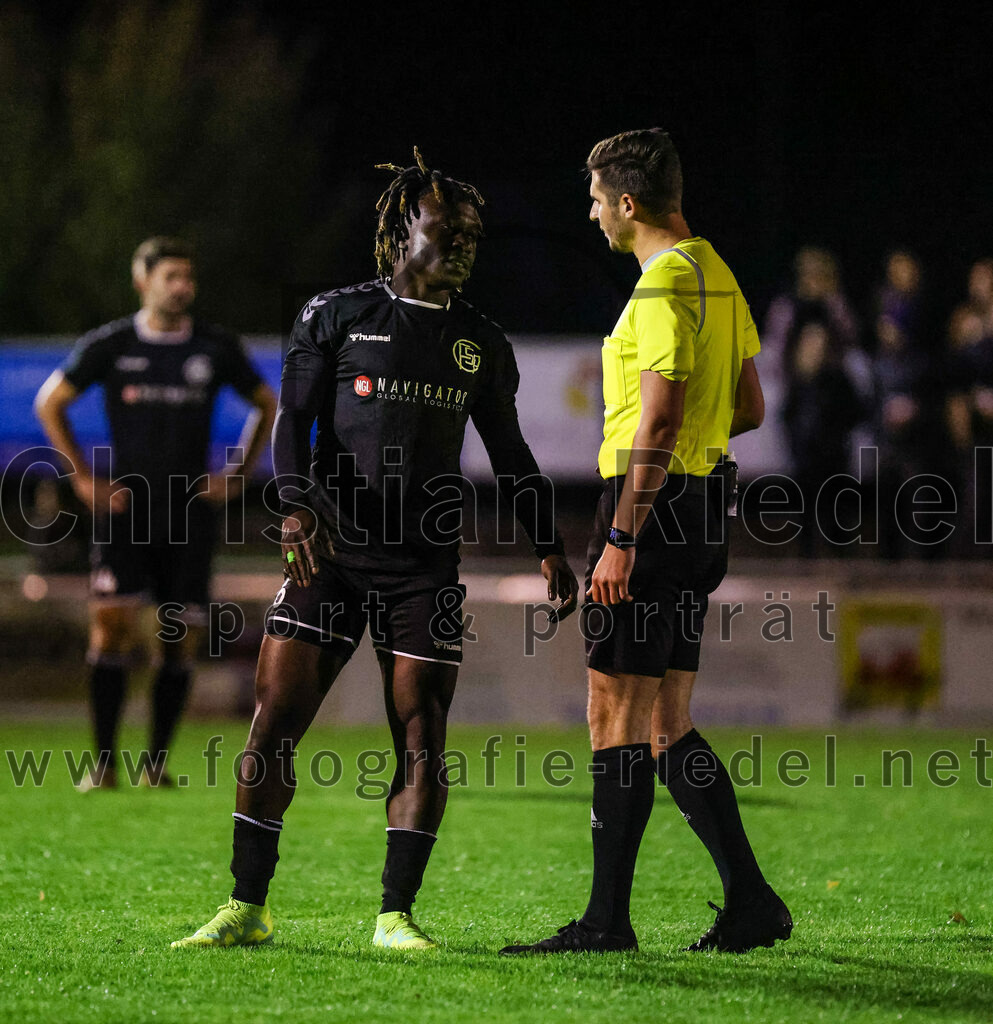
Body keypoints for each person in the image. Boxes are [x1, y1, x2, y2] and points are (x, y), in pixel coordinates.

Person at [171, 150, 578, 951]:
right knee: (273, 723)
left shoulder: (480, 342)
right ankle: (245, 906)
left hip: (424, 566)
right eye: (446, 229)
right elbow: (291, 422)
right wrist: (291, 506)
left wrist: (547, 545)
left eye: (472, 234)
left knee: (423, 732)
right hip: (326, 553)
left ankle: (395, 914)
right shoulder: (335, 314)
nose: (463, 243)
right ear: (402, 229)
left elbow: (511, 453)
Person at [501, 128, 791, 955]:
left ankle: (605, 924)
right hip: (701, 505)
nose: (590, 214)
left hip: (650, 510)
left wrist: (624, 533)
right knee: (665, 719)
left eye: (595, 199)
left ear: (627, 204)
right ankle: (750, 902)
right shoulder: (716, 272)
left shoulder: (663, 285)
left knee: (613, 711)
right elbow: (747, 408)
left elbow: (659, 416)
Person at [34, 236, 276, 790]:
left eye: (188, 277)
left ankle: (157, 765)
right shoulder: (113, 344)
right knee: (112, 628)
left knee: (179, 634)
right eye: (171, 276)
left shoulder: (215, 347)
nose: (182, 286)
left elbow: (267, 402)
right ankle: (102, 765)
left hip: (188, 512)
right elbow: (50, 401)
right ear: (142, 280)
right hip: (126, 508)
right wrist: (81, 476)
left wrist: (238, 473)